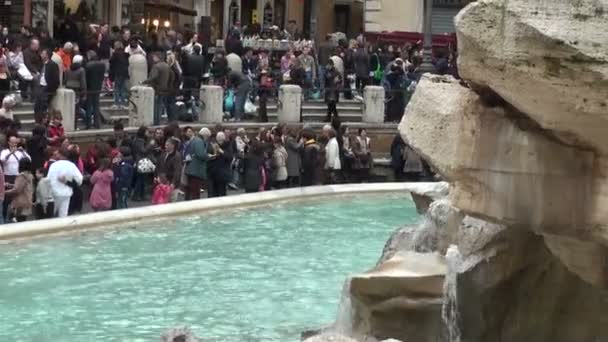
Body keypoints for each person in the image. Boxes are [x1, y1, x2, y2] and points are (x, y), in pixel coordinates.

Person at [47, 148, 83, 218]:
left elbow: (48, 179)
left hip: (54, 193)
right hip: (66, 193)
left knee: (52, 214)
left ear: (61, 155)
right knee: (63, 215)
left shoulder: (53, 165)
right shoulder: (71, 165)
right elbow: (79, 179)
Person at [144, 52, 172, 125]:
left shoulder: (156, 66)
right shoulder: (167, 66)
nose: (153, 59)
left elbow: (154, 77)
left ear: (157, 58)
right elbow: (172, 76)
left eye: (154, 57)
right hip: (164, 88)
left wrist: (144, 81)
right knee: (160, 105)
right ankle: (158, 120)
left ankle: (155, 120)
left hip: (156, 88)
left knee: (155, 106)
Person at [184, 127, 211, 200]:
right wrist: (208, 156)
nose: (207, 139)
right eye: (207, 137)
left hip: (191, 169)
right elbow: (201, 154)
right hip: (196, 170)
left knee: (189, 190)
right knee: (195, 192)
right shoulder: (199, 141)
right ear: (205, 135)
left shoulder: (194, 140)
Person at [34, 49, 60, 118]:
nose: (41, 55)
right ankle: (37, 120)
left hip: (47, 88)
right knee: (37, 105)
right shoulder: (42, 64)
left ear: (47, 55)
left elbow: (55, 79)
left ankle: (42, 120)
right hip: (40, 86)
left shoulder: (53, 65)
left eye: (43, 53)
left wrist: (50, 89)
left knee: (43, 106)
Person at [5, 158, 33, 222]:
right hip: (27, 201)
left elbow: (17, 190)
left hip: (19, 204)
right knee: (23, 221)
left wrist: (4, 192)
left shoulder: (21, 176)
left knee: (17, 222)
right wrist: (11, 185)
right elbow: (23, 186)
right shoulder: (29, 175)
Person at [207, 132, 233, 197]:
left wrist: (222, 152)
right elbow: (208, 154)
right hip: (213, 172)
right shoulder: (213, 145)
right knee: (213, 193)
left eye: (221, 140)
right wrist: (210, 155)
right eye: (218, 140)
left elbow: (230, 157)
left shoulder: (228, 146)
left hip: (222, 173)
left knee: (222, 192)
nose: (219, 141)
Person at [85, 50, 106, 129]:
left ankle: (88, 124)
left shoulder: (88, 65)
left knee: (89, 107)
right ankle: (97, 124)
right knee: (96, 106)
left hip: (89, 88)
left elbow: (86, 77)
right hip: (98, 87)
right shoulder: (102, 65)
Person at [109, 41, 130, 109]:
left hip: (117, 73)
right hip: (124, 73)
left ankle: (117, 103)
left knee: (117, 88)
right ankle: (123, 103)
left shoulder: (115, 54)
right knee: (122, 88)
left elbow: (111, 62)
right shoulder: (125, 54)